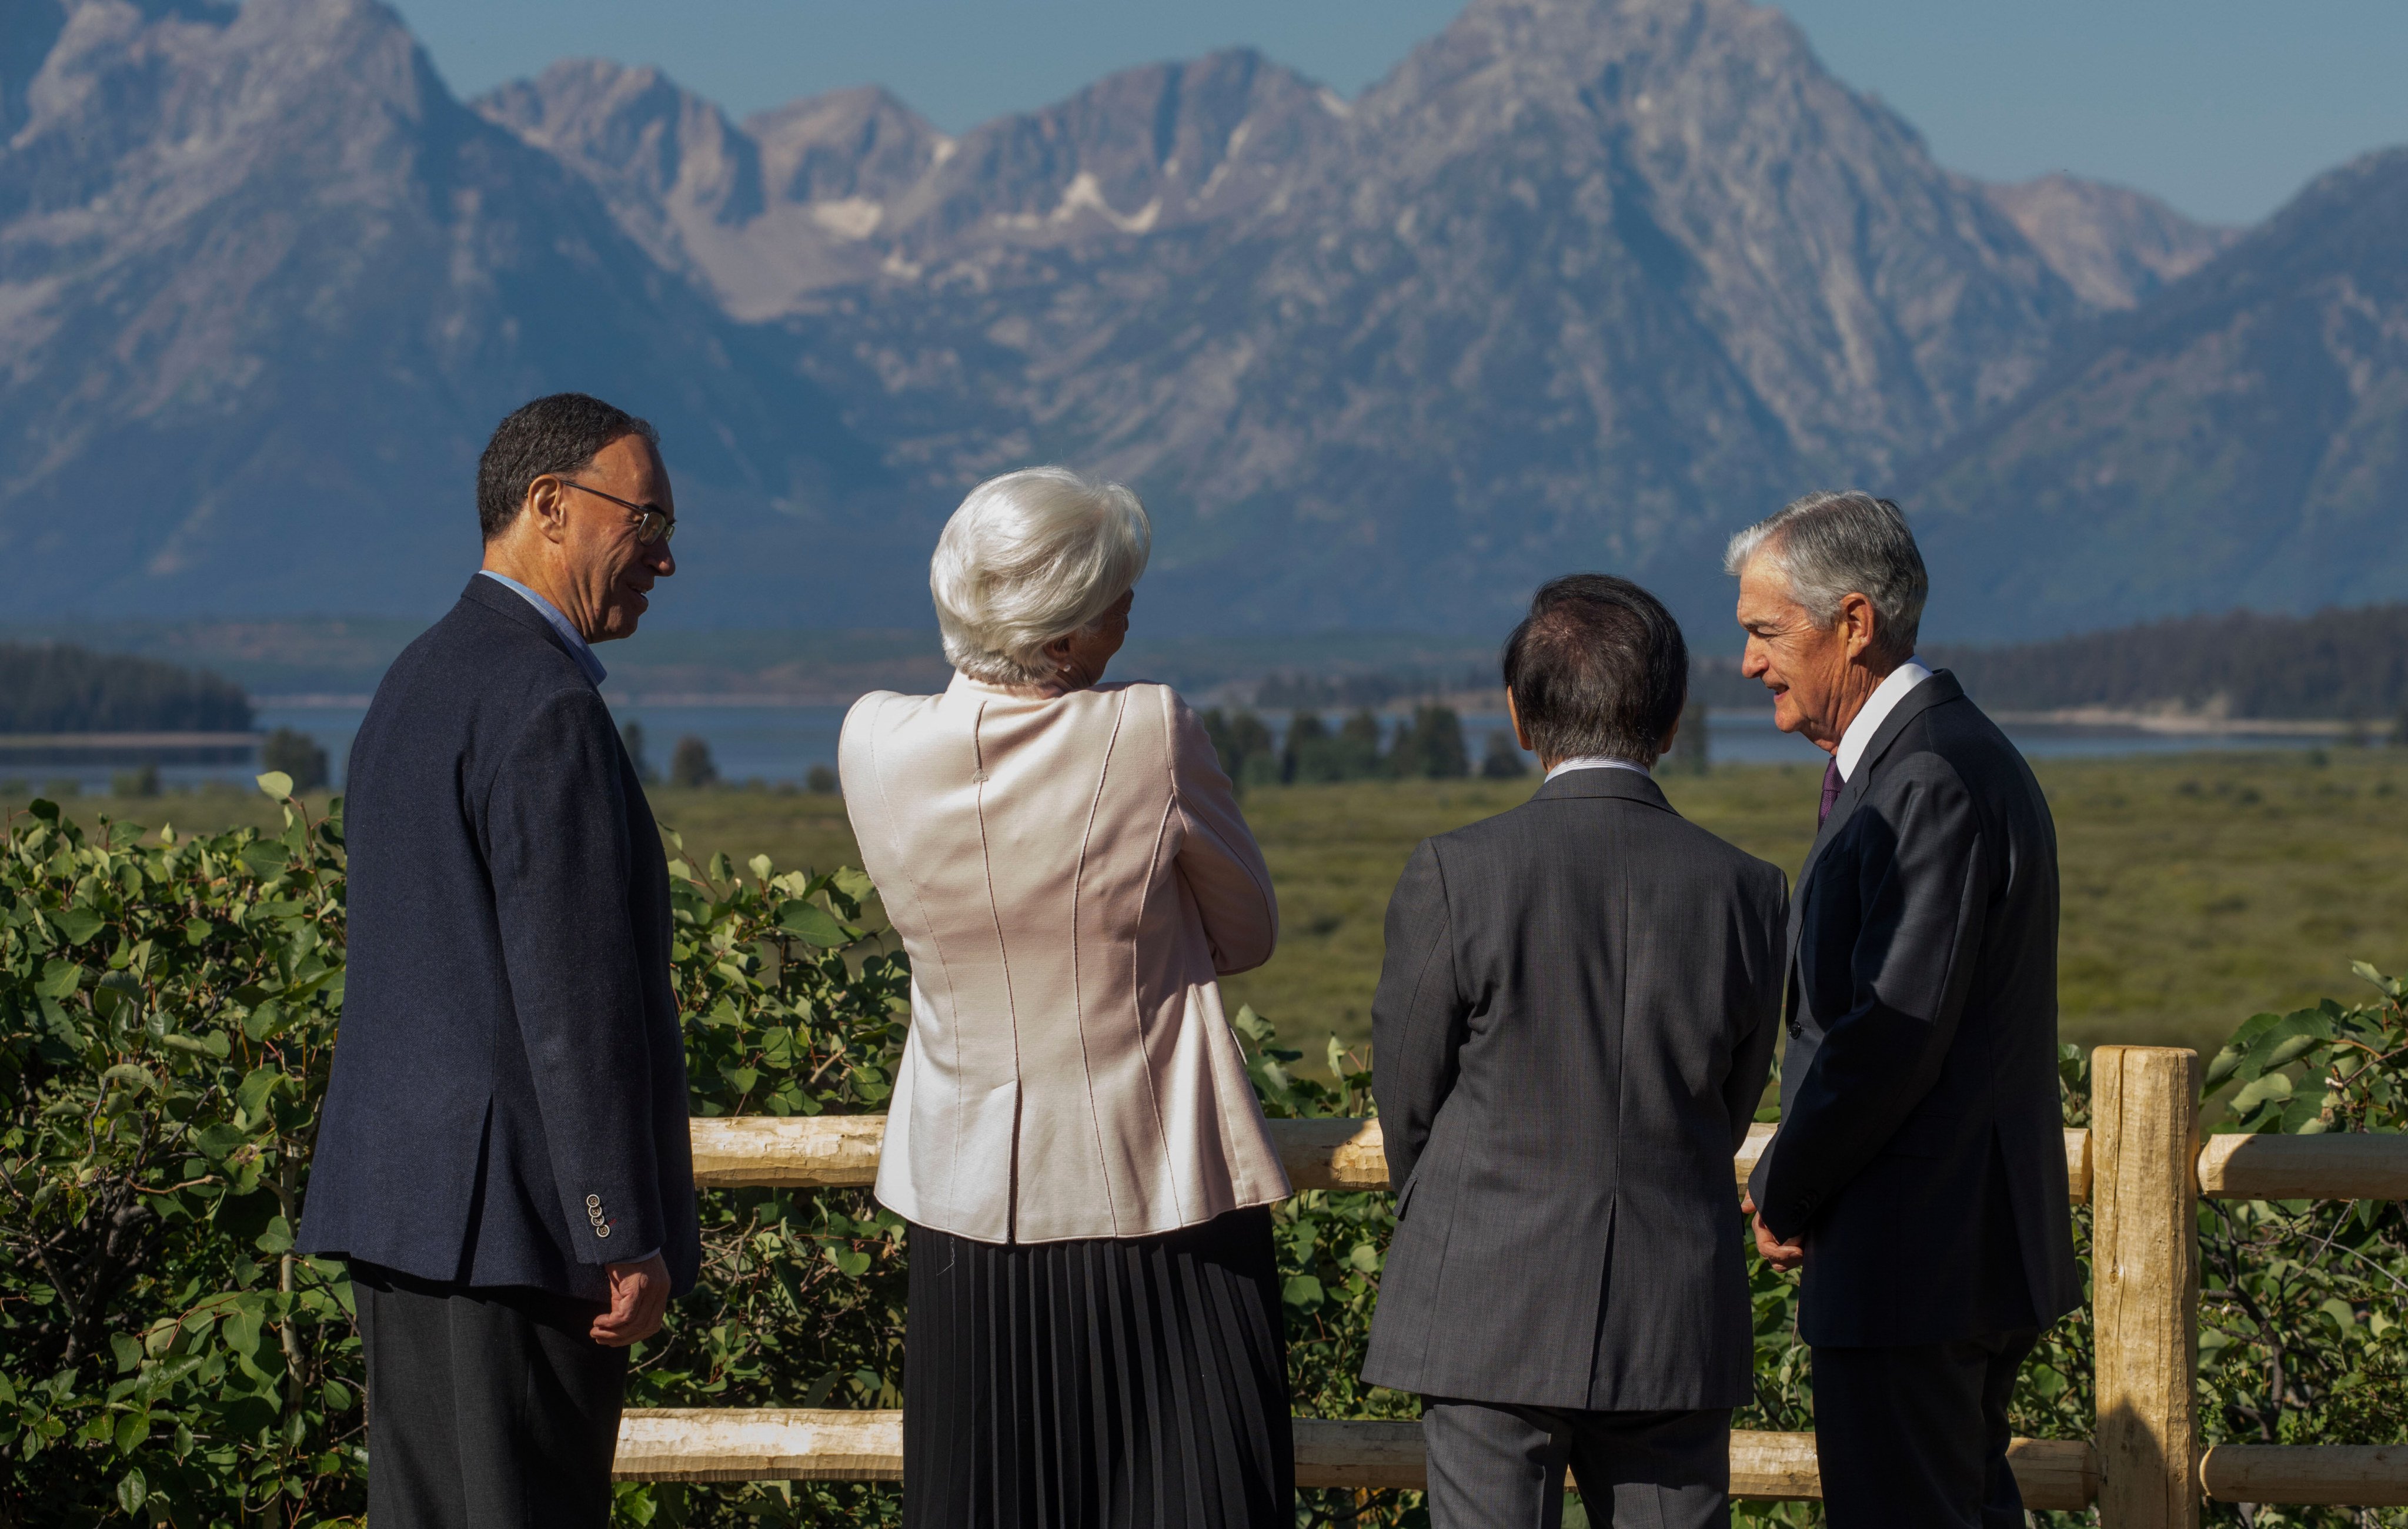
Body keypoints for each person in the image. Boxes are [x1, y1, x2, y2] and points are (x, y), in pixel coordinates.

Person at [838, 467, 1294, 1529]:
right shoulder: (1149, 730)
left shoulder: (870, 739)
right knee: (1196, 1498)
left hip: (962, 1210)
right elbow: (1251, 931)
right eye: (1111, 601)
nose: (1130, 613)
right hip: (1161, 1195)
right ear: (1056, 640)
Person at [300, 393, 697, 1526]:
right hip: (520, 1230)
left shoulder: (416, 678)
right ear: (550, 506)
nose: (665, 560)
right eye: (649, 521)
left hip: (403, 1212)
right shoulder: (546, 702)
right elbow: (569, 998)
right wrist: (617, 1227)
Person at [1361, 575, 1788, 1529]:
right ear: (1673, 719)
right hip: (1675, 1301)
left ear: (1518, 714)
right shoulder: (1750, 891)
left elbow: (1407, 1093)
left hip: (1482, 1295)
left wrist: (1460, 1211)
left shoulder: (1455, 872)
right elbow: (1735, 1091)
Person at [1728, 491, 2081, 1528]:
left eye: (1763, 631)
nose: (1749, 663)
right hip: (1939, 1251)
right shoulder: (1920, 760)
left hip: (1915, 1257)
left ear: (1853, 623)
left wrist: (1787, 1183)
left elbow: (1891, 1029)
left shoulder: (1923, 776)